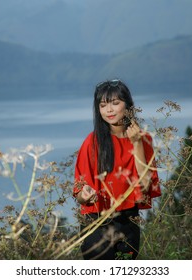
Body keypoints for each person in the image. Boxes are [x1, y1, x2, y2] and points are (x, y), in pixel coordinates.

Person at [73, 79, 161, 260]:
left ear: (128, 105)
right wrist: (85, 195)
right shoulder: (93, 142)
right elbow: (80, 194)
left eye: (115, 103)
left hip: (129, 220)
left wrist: (136, 143)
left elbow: (145, 185)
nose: (109, 110)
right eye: (103, 105)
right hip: (96, 222)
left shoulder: (144, 140)